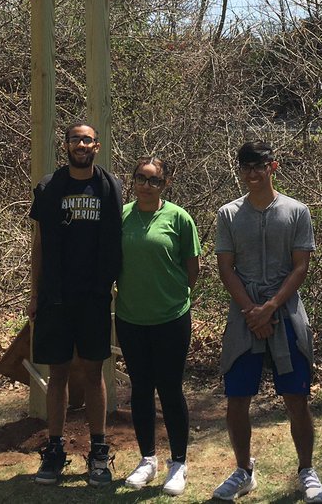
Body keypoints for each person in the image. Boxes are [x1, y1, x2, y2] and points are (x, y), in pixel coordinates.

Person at [213, 141, 322, 503]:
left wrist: (271, 306)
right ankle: (244, 470)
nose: (251, 173)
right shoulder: (228, 214)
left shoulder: (297, 211)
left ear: (272, 166)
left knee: (297, 397)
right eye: (245, 166)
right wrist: (251, 310)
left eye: (258, 165)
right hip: (243, 316)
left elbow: (300, 267)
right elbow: (225, 268)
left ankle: (307, 469)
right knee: (237, 398)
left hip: (286, 314)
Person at [28, 122, 124, 487]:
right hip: (55, 295)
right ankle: (55, 450)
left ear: (96, 145)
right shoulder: (50, 187)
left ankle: (98, 451)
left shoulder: (109, 186)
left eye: (87, 140)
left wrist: (112, 285)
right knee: (59, 372)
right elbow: (38, 245)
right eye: (75, 139)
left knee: (93, 370)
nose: (81, 144)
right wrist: (35, 293)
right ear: (65, 144)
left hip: (94, 296)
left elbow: (117, 238)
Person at [116, 156, 202, 496]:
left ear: (164, 184)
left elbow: (192, 267)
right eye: (140, 178)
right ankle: (147, 459)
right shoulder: (121, 216)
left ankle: (178, 463)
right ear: (133, 181)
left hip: (171, 317)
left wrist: (173, 295)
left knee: (169, 388)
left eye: (153, 180)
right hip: (130, 317)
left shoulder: (179, 218)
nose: (146, 185)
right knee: (140, 388)